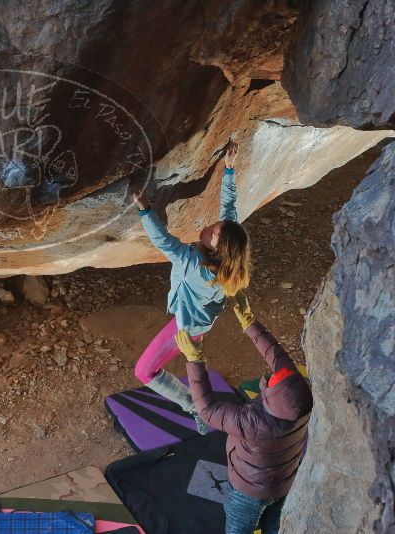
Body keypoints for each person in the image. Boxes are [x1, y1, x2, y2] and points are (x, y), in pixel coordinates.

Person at [131, 141, 250, 432]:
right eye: (215, 227)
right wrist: (230, 169)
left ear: (216, 249)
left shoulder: (193, 263)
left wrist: (144, 209)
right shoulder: (230, 257)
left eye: (211, 233)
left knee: (144, 370)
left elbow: (163, 242)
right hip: (203, 321)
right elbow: (229, 210)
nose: (208, 228)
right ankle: (200, 401)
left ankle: (195, 407)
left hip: (186, 327)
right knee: (193, 360)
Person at [175, 293, 313, 534]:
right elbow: (278, 356)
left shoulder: (255, 423)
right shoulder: (303, 398)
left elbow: (207, 410)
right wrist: (249, 322)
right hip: (284, 483)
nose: (272, 375)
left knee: (238, 528)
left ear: (271, 394)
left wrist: (194, 360)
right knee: (275, 526)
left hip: (249, 492)